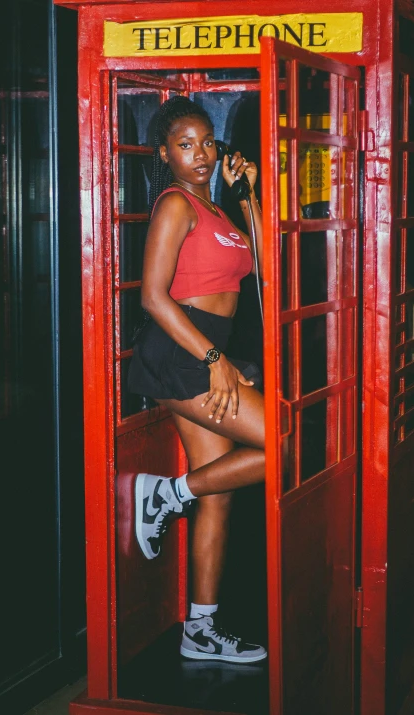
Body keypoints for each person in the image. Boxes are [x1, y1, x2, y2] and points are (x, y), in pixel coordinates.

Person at [128, 96, 266, 664]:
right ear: (165, 153)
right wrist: (214, 358)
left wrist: (249, 194)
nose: (201, 154)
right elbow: (152, 297)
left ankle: (200, 629)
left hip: (206, 354)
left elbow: (266, 261)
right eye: (186, 145)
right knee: (286, 444)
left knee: (222, 492)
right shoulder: (175, 205)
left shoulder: (219, 210)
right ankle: (167, 494)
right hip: (184, 354)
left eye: (207, 142)